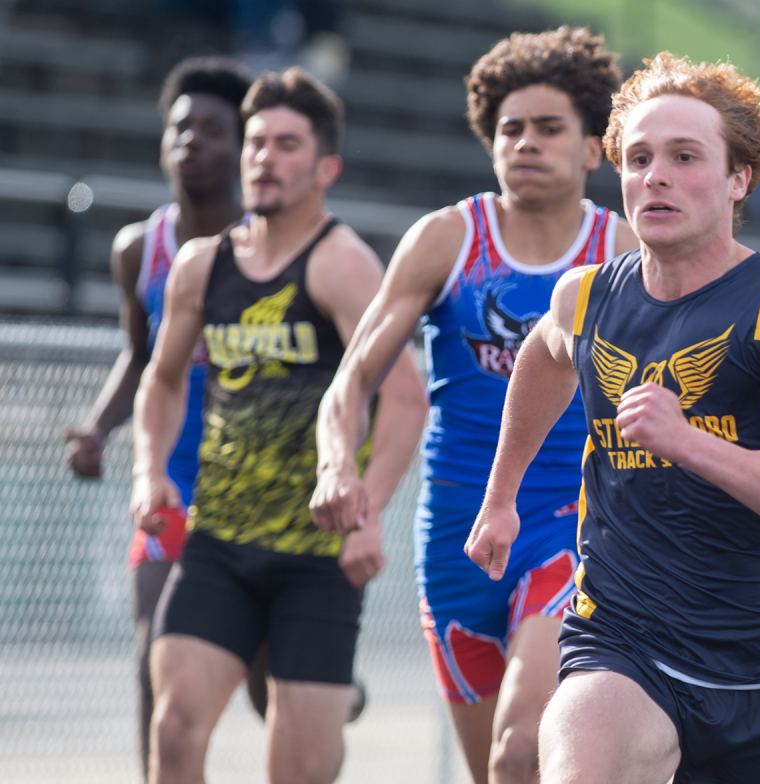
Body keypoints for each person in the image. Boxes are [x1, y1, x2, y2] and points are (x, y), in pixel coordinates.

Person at [467, 52, 760, 784]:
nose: (657, 176)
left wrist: (687, 444)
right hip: (621, 634)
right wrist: (501, 498)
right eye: (640, 157)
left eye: (686, 157)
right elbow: (543, 361)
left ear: (738, 178)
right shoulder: (583, 300)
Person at [311, 26, 637, 784]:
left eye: (549, 128)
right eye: (509, 129)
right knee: (493, 767)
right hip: (456, 537)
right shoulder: (447, 240)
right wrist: (339, 469)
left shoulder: (619, 253)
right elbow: (353, 380)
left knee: (523, 744)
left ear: (593, 149)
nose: (525, 143)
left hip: (571, 525)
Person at [130, 67, 426, 784]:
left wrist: (368, 509)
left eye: (287, 144)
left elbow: (407, 398)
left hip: (314, 558)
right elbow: (162, 378)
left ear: (326, 166)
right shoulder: (202, 266)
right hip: (220, 542)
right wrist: (150, 469)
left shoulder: (342, 265)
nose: (265, 157)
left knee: (301, 770)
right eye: (257, 141)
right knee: (171, 733)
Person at [61, 56, 267, 776]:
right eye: (183, 126)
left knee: (271, 685)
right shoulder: (135, 250)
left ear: (241, 149)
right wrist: (99, 428)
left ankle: (318, 689)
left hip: (261, 489)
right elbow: (142, 357)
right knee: (155, 648)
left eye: (214, 130)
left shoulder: (272, 252)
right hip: (172, 487)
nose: (194, 141)